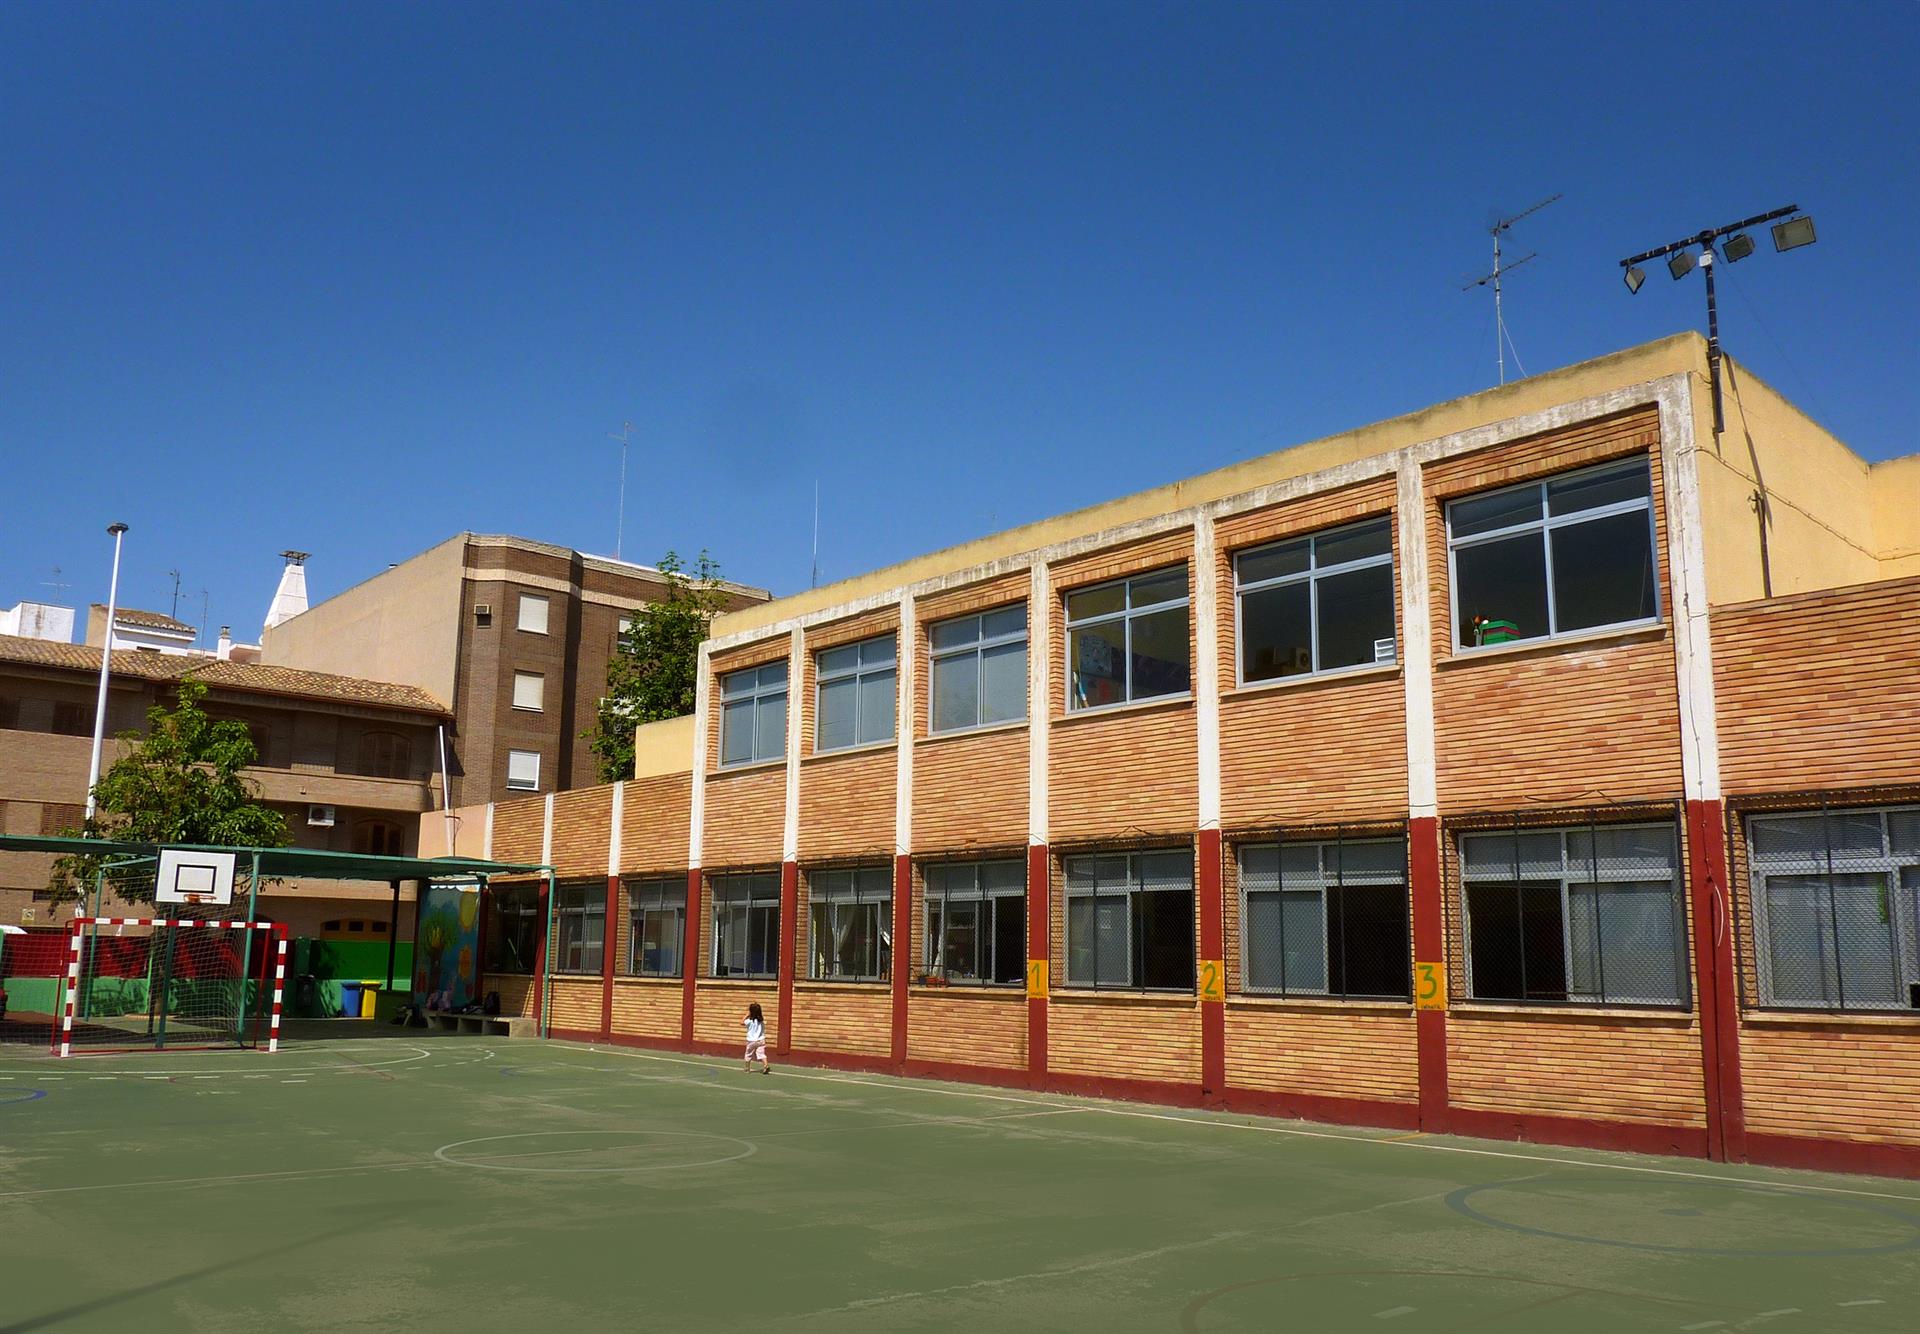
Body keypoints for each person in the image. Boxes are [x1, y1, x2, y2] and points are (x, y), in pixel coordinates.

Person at [743, 1002, 771, 1074]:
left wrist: (746, 1016)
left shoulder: (749, 1021)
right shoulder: (761, 1021)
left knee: (748, 1054)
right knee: (761, 1054)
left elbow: (741, 1022)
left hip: (751, 1041)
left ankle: (747, 1068)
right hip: (761, 1040)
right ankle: (766, 1065)